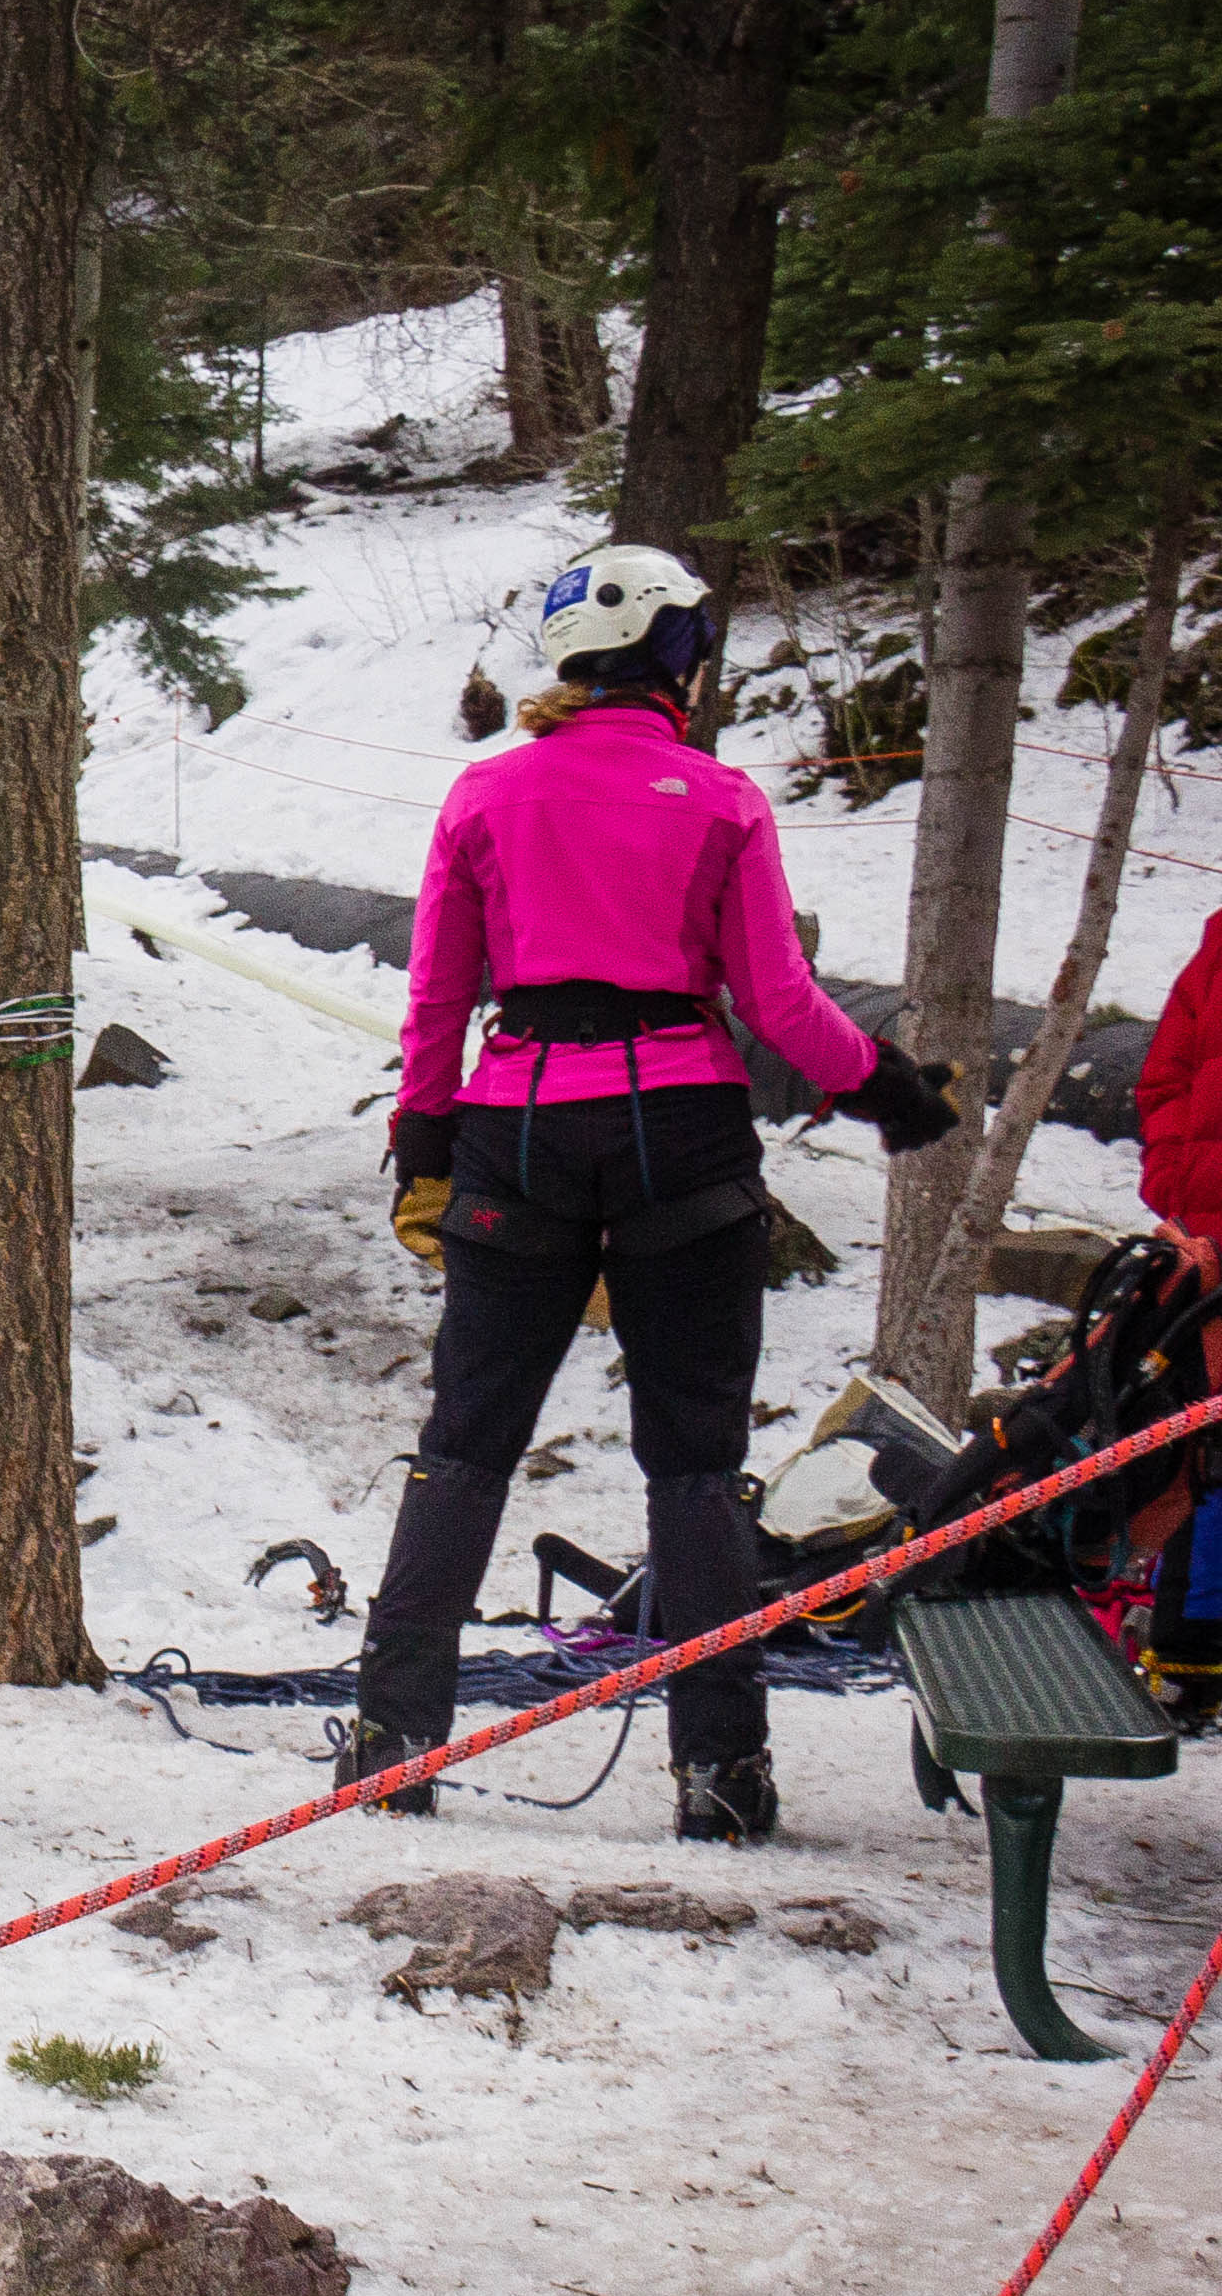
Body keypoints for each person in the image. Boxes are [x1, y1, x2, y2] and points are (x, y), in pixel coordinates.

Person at [342, 543, 952, 1841]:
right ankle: (721, 1772)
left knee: (466, 1442)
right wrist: (884, 1086)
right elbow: (778, 1000)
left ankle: (392, 1741)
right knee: (695, 1463)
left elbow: (439, 993)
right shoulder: (721, 799)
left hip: (519, 1124)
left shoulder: (487, 792)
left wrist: (425, 1137)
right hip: (682, 1128)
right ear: (676, 659)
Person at [1129, 905, 1222, 1721]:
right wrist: (1175, 1181)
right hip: (1209, 1250)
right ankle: (1192, 1658)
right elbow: (1165, 1079)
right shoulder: (1219, 946)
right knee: (1200, 1450)